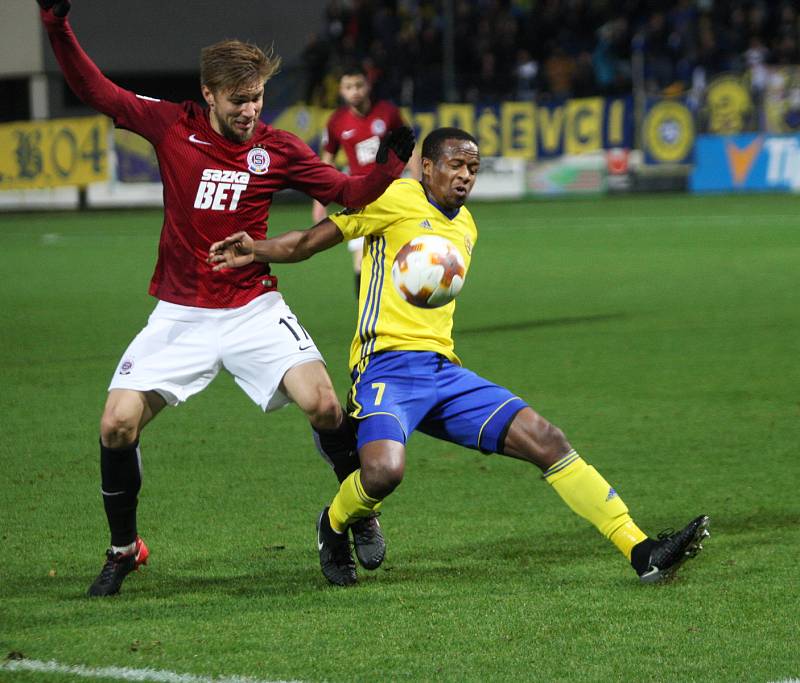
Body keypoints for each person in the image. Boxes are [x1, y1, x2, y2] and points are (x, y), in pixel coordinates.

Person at [208, 127, 710, 587]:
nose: (465, 176)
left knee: (547, 439)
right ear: (426, 166)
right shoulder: (394, 198)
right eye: (455, 165)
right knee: (383, 473)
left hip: (443, 372)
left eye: (473, 168)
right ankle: (334, 523)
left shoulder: (466, 226)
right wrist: (256, 250)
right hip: (384, 367)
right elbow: (310, 243)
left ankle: (641, 550)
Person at [36, 0, 414, 597]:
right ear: (208, 95)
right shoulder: (169, 124)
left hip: (254, 308)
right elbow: (97, 89)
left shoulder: (278, 148)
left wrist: (389, 167)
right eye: (239, 100)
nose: (250, 110)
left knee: (323, 406)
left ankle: (357, 511)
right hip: (181, 313)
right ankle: (123, 549)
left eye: (258, 97)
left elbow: (346, 189)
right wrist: (56, 25)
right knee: (116, 425)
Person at [311, 64, 421, 296]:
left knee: (401, 255)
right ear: (341, 90)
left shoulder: (388, 112)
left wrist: (418, 184)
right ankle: (367, 316)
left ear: (368, 86)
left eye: (359, 85)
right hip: (359, 196)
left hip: (393, 193)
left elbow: (409, 145)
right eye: (349, 87)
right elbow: (327, 161)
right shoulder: (336, 121)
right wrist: (319, 201)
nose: (355, 91)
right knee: (361, 260)